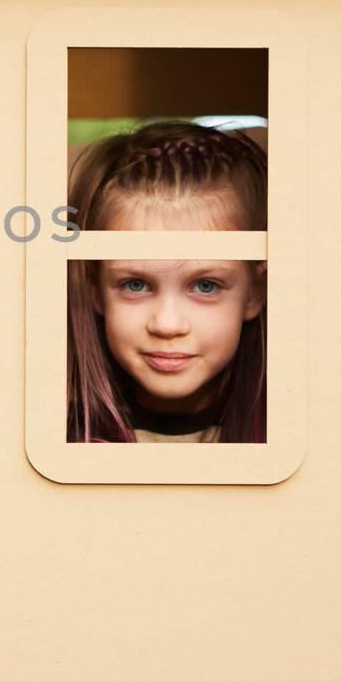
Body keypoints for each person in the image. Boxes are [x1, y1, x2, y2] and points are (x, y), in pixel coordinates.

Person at [67, 121, 267, 444]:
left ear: (255, 294)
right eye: (135, 284)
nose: (167, 324)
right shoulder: (65, 435)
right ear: (95, 289)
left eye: (206, 286)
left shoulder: (287, 429)